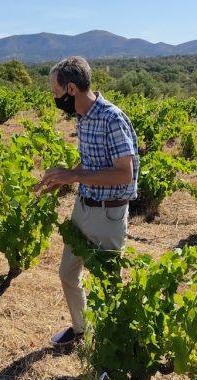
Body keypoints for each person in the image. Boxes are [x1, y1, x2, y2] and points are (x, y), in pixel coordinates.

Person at [35, 56, 139, 347]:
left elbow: (123, 174)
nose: (54, 99)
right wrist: (61, 178)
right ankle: (82, 332)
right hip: (83, 207)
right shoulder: (82, 117)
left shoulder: (111, 118)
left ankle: (110, 349)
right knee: (67, 273)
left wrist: (75, 176)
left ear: (71, 89)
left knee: (108, 286)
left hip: (108, 215)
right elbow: (90, 166)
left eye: (55, 93)